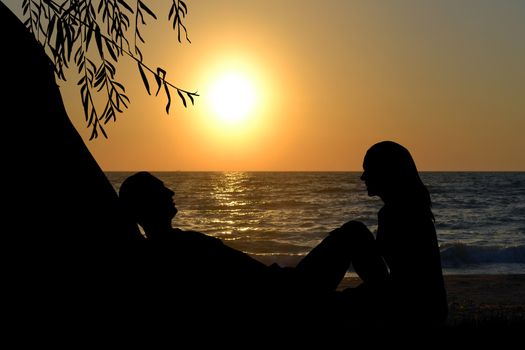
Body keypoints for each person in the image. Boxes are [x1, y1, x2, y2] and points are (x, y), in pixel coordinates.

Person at [351, 140, 449, 328]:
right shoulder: (410, 210)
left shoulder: (399, 213)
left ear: (385, 172)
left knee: (355, 232)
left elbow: (406, 283)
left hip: (417, 310)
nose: (363, 177)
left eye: (368, 169)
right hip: (427, 308)